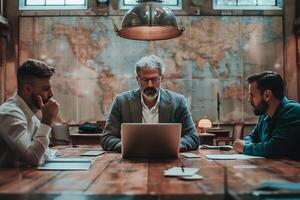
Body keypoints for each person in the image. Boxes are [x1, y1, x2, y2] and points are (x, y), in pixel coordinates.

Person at [100, 55, 200, 152]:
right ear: (137, 79)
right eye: (145, 80)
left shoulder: (178, 102)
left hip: (167, 159)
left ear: (162, 78)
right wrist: (127, 146)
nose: (150, 85)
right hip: (132, 160)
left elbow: (193, 138)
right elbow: (107, 138)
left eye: (155, 79)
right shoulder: (121, 101)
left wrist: (172, 146)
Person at [0, 59, 60, 167]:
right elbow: (33, 158)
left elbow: (44, 153)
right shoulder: (10, 113)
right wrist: (47, 119)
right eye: (46, 89)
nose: (51, 94)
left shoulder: (29, 114)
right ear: (27, 89)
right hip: (6, 182)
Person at [233, 71, 300, 160]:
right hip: (274, 169)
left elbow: (274, 148)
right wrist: (246, 143)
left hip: (292, 171)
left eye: (252, 95)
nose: (249, 100)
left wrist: (245, 147)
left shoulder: (293, 111)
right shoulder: (265, 114)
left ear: (267, 95)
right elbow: (253, 137)